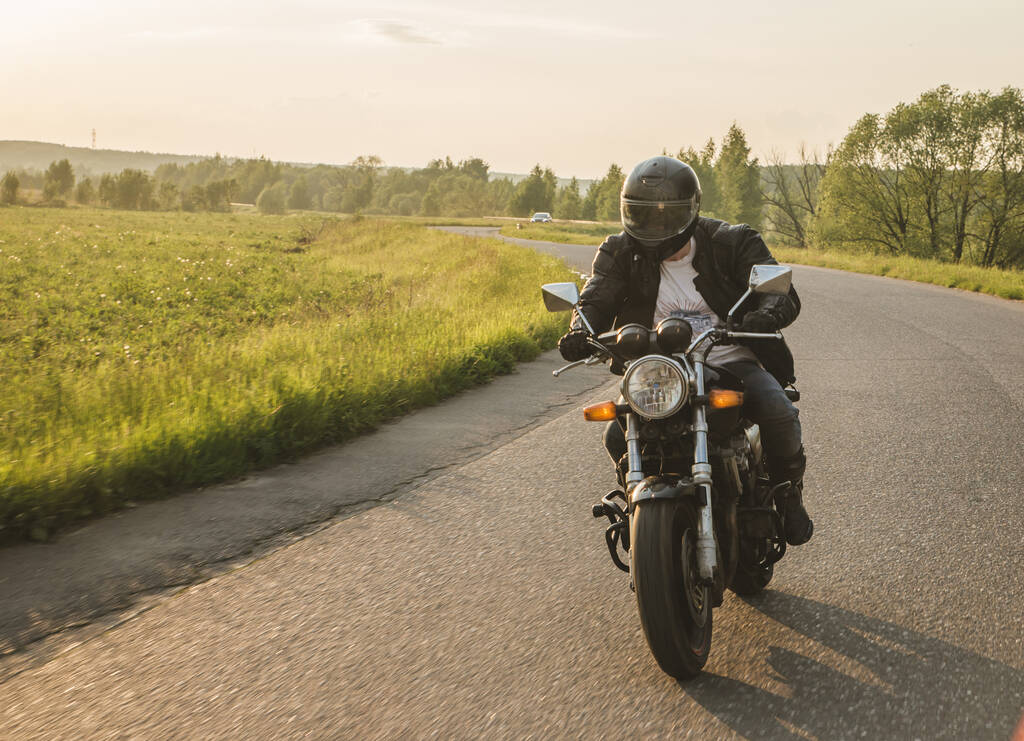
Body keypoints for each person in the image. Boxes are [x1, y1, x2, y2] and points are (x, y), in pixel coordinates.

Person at [557, 155, 813, 545]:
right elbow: (596, 298)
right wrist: (580, 329)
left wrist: (764, 316)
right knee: (615, 434)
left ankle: (789, 495)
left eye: (664, 217)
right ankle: (636, 510)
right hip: (657, 368)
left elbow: (783, 294)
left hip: (729, 359)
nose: (653, 227)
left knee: (777, 409)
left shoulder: (732, 241)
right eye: (643, 216)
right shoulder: (619, 250)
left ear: (690, 212)